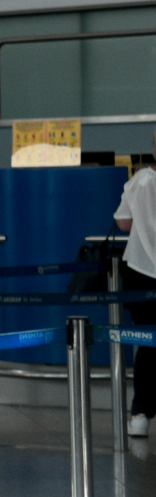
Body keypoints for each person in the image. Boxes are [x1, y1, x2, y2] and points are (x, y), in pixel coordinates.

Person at [115, 135, 156, 439]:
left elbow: (124, 223)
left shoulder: (140, 180)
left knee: (149, 342)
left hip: (141, 272)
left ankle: (140, 414)